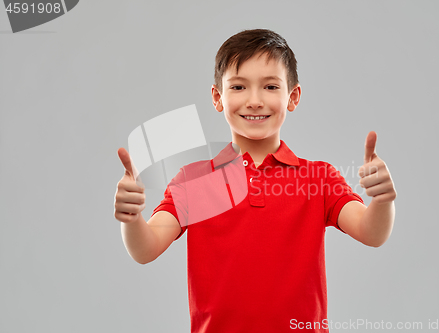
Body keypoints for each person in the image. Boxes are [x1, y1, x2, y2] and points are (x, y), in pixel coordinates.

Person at [114, 28, 396, 333]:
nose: (254, 100)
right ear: (217, 97)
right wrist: (131, 218)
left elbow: (372, 232)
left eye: (271, 86)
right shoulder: (194, 181)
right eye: (238, 87)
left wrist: (382, 200)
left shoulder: (320, 178)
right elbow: (146, 248)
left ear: (293, 96)